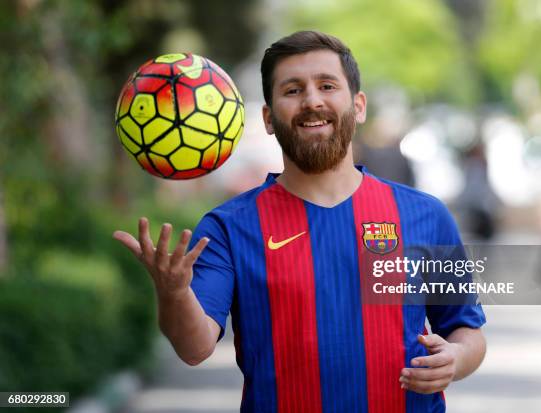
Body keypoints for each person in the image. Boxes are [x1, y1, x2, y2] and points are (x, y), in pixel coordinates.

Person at [113, 31, 486, 413]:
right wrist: (173, 292)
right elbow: (194, 349)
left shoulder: (425, 216)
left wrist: (455, 359)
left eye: (327, 85)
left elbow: (468, 330)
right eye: (292, 90)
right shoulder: (228, 227)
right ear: (269, 118)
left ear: (358, 106)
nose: (311, 101)